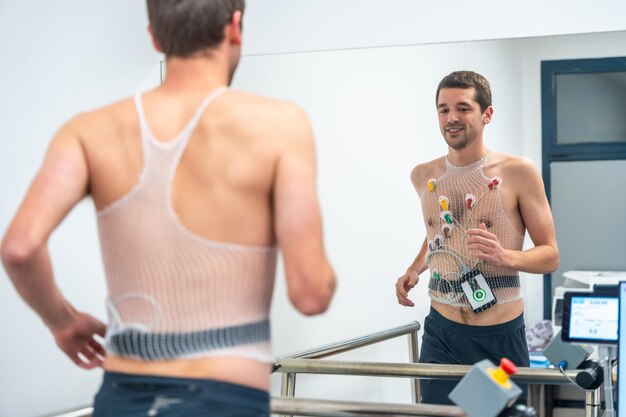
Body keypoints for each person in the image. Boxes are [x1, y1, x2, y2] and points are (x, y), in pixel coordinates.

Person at [1, 0, 336, 415]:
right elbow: (310, 294)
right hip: (226, 398)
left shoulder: (87, 131)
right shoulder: (281, 124)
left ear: (155, 37)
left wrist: (63, 322)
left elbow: (19, 247)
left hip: (122, 397)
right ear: (235, 27)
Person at [395, 70, 559, 405]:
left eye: (463, 108)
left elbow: (550, 255)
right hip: (441, 333)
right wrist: (415, 269)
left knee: (494, 414)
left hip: (497, 338)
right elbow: (442, 230)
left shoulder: (518, 172)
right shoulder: (423, 176)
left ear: (487, 114)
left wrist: (506, 257)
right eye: (443, 109)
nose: (452, 118)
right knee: (438, 416)